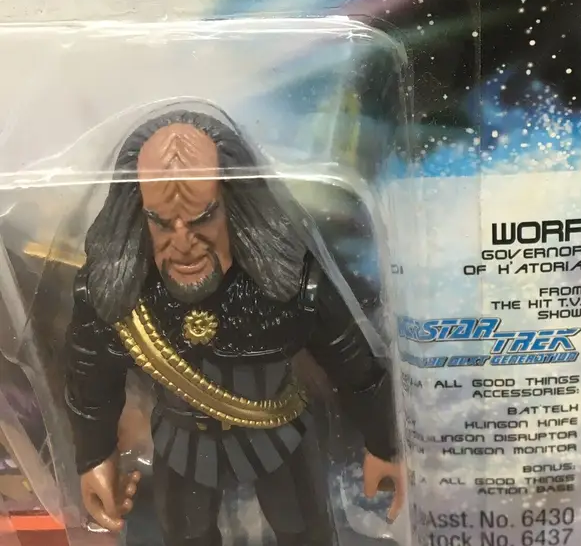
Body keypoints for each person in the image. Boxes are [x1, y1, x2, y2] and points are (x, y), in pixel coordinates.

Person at [64, 109, 403, 546]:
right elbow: (91, 378)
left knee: (304, 530)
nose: (183, 244)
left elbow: (351, 362)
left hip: (278, 435)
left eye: (202, 218)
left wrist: (383, 443)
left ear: (235, 203)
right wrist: (94, 455)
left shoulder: (291, 287)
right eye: (162, 223)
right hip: (181, 443)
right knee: (185, 536)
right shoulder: (121, 299)